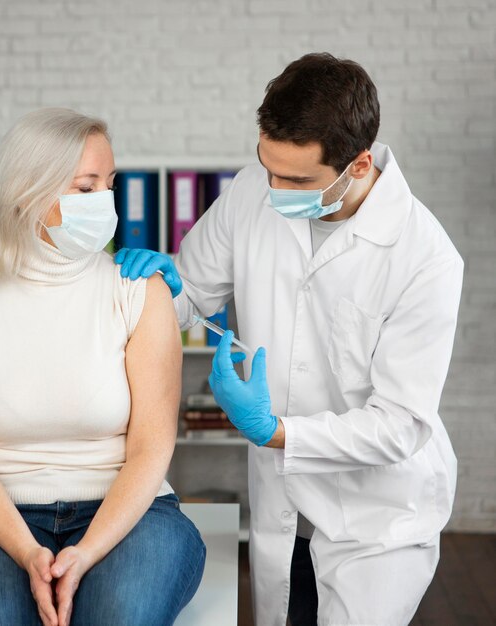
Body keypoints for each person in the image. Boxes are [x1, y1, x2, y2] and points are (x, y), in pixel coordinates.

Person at [116, 53, 464, 626]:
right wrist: (155, 289)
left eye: (297, 179)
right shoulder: (254, 189)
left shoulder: (425, 257)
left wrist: (273, 431)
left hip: (376, 515)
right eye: (267, 165)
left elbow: (401, 424)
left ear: (357, 165)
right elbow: (188, 296)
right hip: (280, 503)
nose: (274, 189)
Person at [0, 108, 206, 626]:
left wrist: (87, 551)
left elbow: (152, 447)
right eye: (85, 188)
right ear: (26, 193)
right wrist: (28, 552)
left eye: (109, 185)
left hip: (129, 513)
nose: (105, 203)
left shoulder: (140, 289)